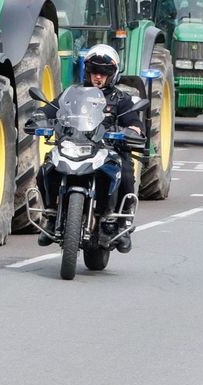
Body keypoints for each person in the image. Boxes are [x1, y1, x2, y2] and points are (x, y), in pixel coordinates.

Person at [36, 44, 142, 251]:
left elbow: (133, 120)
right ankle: (50, 214)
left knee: (126, 173)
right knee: (46, 169)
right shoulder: (73, 93)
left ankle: (122, 223)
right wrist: (39, 116)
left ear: (113, 74)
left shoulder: (121, 99)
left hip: (109, 149)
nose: (98, 77)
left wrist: (133, 129)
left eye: (104, 72)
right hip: (74, 144)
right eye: (94, 71)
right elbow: (52, 108)